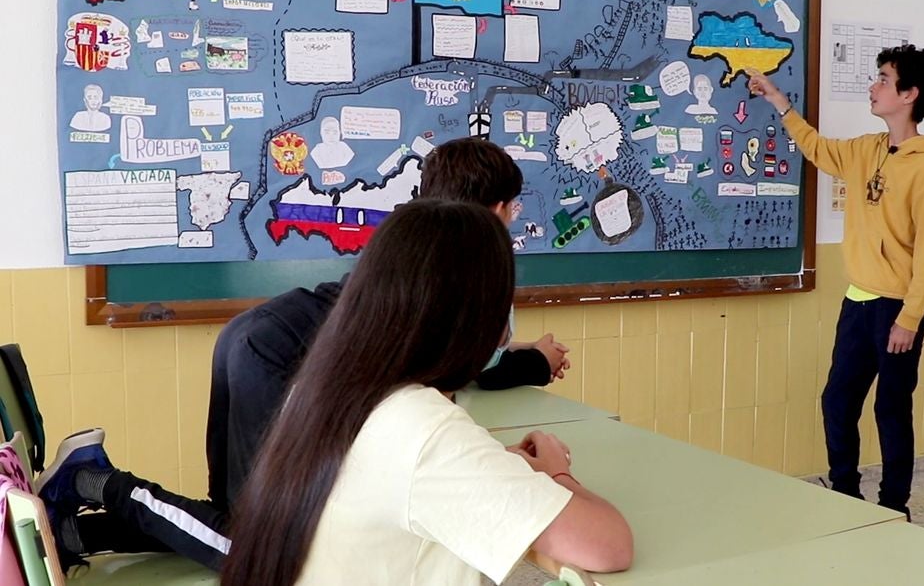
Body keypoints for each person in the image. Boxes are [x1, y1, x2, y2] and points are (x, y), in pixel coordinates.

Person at [37, 137, 571, 571]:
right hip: (272, 354)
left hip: (255, 338)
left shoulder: (418, 239)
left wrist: (523, 354)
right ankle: (100, 482)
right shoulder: (463, 260)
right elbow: (477, 366)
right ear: (499, 207)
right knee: (262, 545)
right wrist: (536, 362)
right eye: (513, 208)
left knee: (244, 516)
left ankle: (79, 529)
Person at [222, 198, 633, 584]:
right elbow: (608, 546)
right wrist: (554, 473)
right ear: (473, 318)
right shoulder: (418, 426)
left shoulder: (323, 389)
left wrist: (491, 463)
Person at [748, 44, 924, 520]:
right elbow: (818, 149)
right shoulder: (868, 149)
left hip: (897, 309)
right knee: (838, 399)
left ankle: (894, 506)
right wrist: (779, 100)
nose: (873, 86)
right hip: (858, 301)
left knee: (891, 409)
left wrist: (909, 318)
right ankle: (845, 494)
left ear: (909, 94)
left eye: (883, 78)